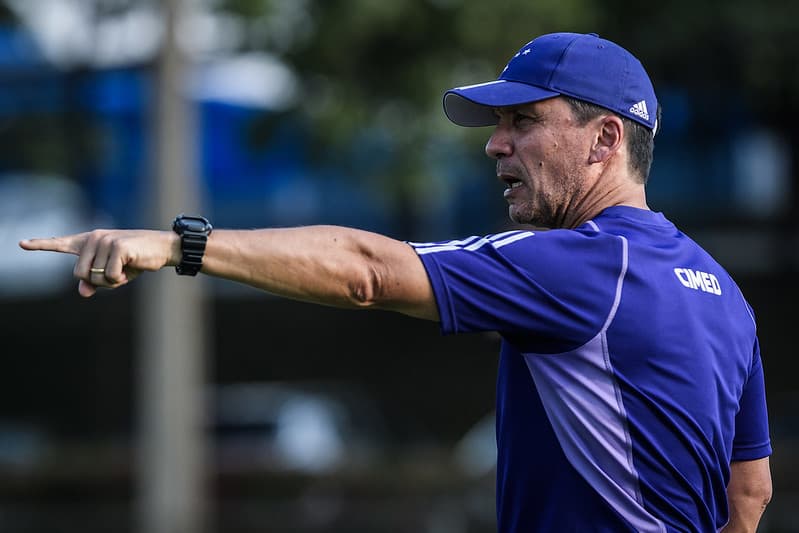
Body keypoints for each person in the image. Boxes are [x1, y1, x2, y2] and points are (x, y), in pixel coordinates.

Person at [20, 32, 772, 532]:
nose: (496, 145)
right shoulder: (724, 295)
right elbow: (749, 492)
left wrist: (178, 244)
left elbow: (369, 273)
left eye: (522, 121)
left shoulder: (580, 265)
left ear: (604, 138)